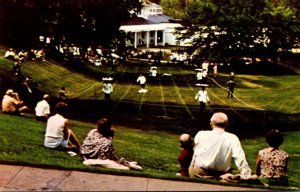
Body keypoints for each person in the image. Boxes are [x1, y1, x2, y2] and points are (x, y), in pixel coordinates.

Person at [189, 112, 252, 179]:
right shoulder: (232, 138)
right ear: (227, 124)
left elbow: (194, 151)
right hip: (220, 174)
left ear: (211, 123)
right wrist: (246, 174)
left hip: (199, 172)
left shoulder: (201, 134)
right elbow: (239, 156)